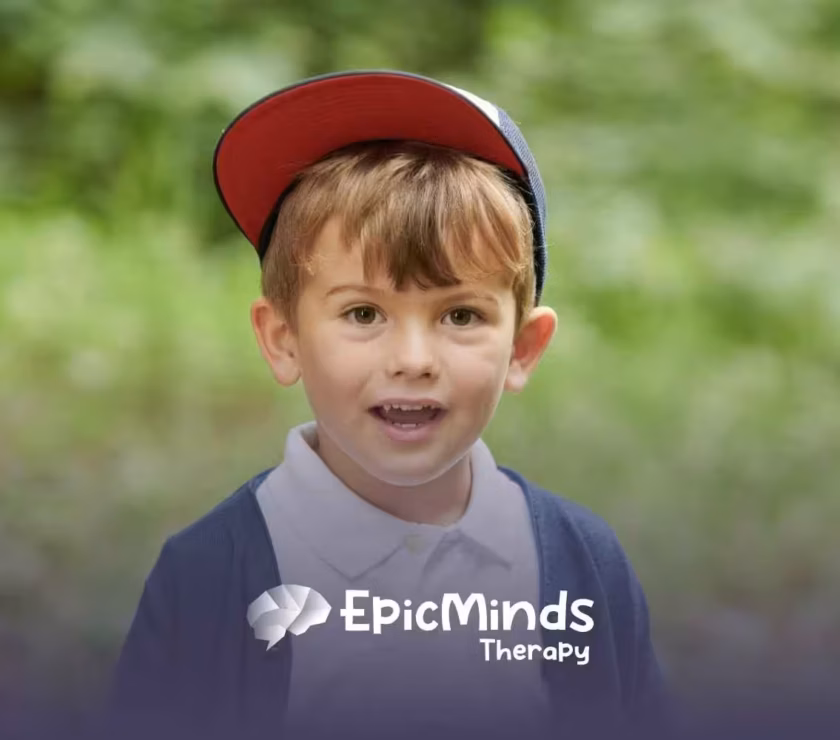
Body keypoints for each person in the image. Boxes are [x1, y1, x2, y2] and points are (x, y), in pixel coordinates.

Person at [100, 70, 672, 740]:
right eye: (364, 312)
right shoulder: (210, 575)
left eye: (460, 315)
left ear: (523, 347)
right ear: (283, 340)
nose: (413, 358)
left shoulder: (582, 565)